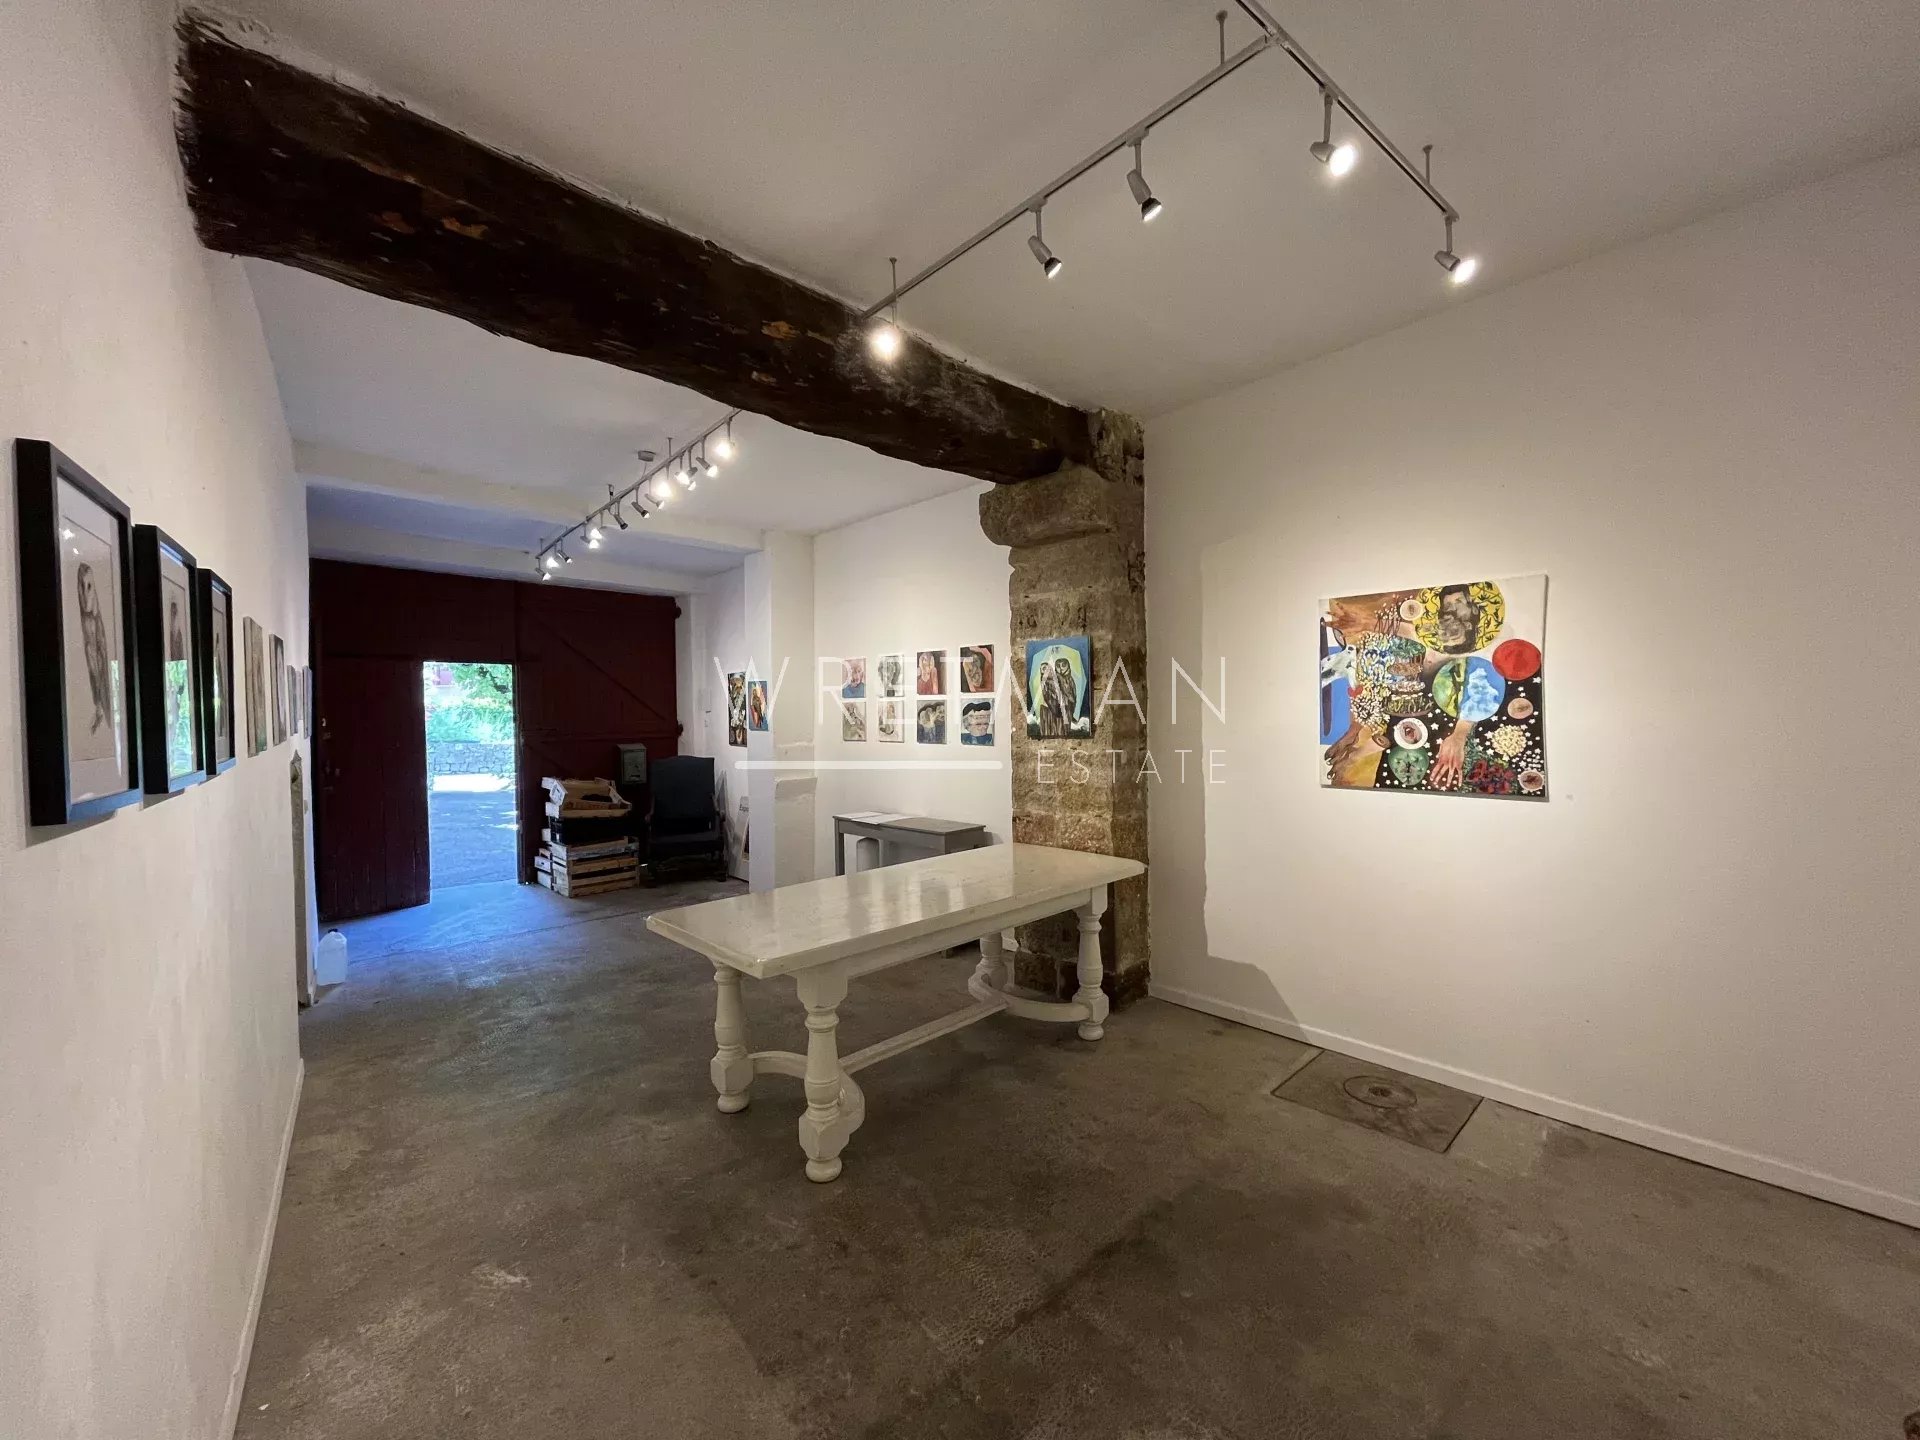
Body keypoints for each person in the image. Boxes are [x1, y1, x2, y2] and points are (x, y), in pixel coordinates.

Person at [75, 562, 111, 733]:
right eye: (82, 586)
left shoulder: (96, 623)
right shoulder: (83, 623)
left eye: (89, 586)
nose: (85, 592)